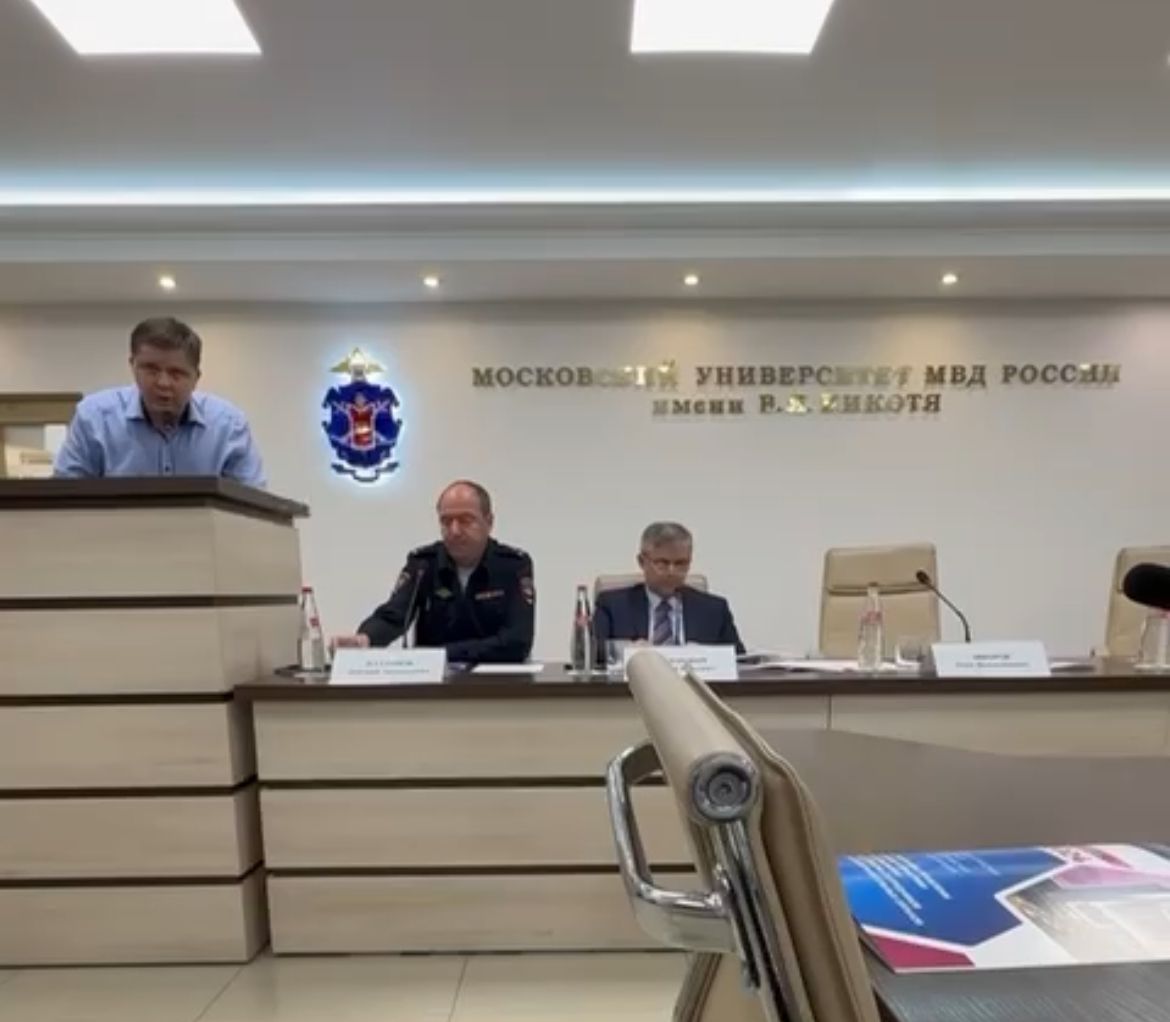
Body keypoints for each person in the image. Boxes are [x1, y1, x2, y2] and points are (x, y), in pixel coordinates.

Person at [335, 480, 535, 663]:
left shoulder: (512, 565)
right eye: (446, 521)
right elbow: (394, 615)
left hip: (497, 680)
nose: (455, 531)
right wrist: (365, 638)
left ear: (489, 522)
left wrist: (442, 653)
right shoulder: (424, 564)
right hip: (435, 682)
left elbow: (517, 641)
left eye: (466, 520)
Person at [53, 317, 265, 487]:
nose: (163, 383)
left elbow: (252, 505)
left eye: (176, 373)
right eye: (151, 369)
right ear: (133, 366)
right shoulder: (94, 417)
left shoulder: (229, 426)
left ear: (196, 378)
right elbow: (64, 500)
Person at [594, 521, 744, 653]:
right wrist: (627, 649)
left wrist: (705, 654)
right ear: (642, 561)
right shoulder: (613, 605)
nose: (672, 572)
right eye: (662, 563)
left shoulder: (714, 609)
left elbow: (739, 659)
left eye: (680, 563)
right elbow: (595, 651)